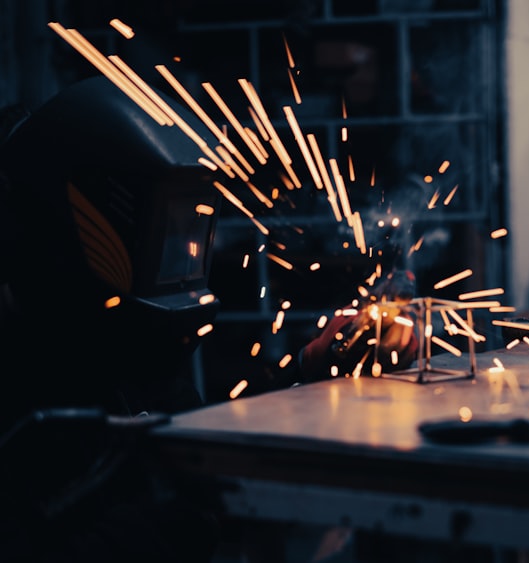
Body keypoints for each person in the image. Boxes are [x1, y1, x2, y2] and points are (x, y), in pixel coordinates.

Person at [0, 75, 420, 562]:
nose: (187, 250)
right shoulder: (25, 386)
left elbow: (201, 437)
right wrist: (202, 502)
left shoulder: (121, 351)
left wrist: (310, 370)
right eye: (171, 231)